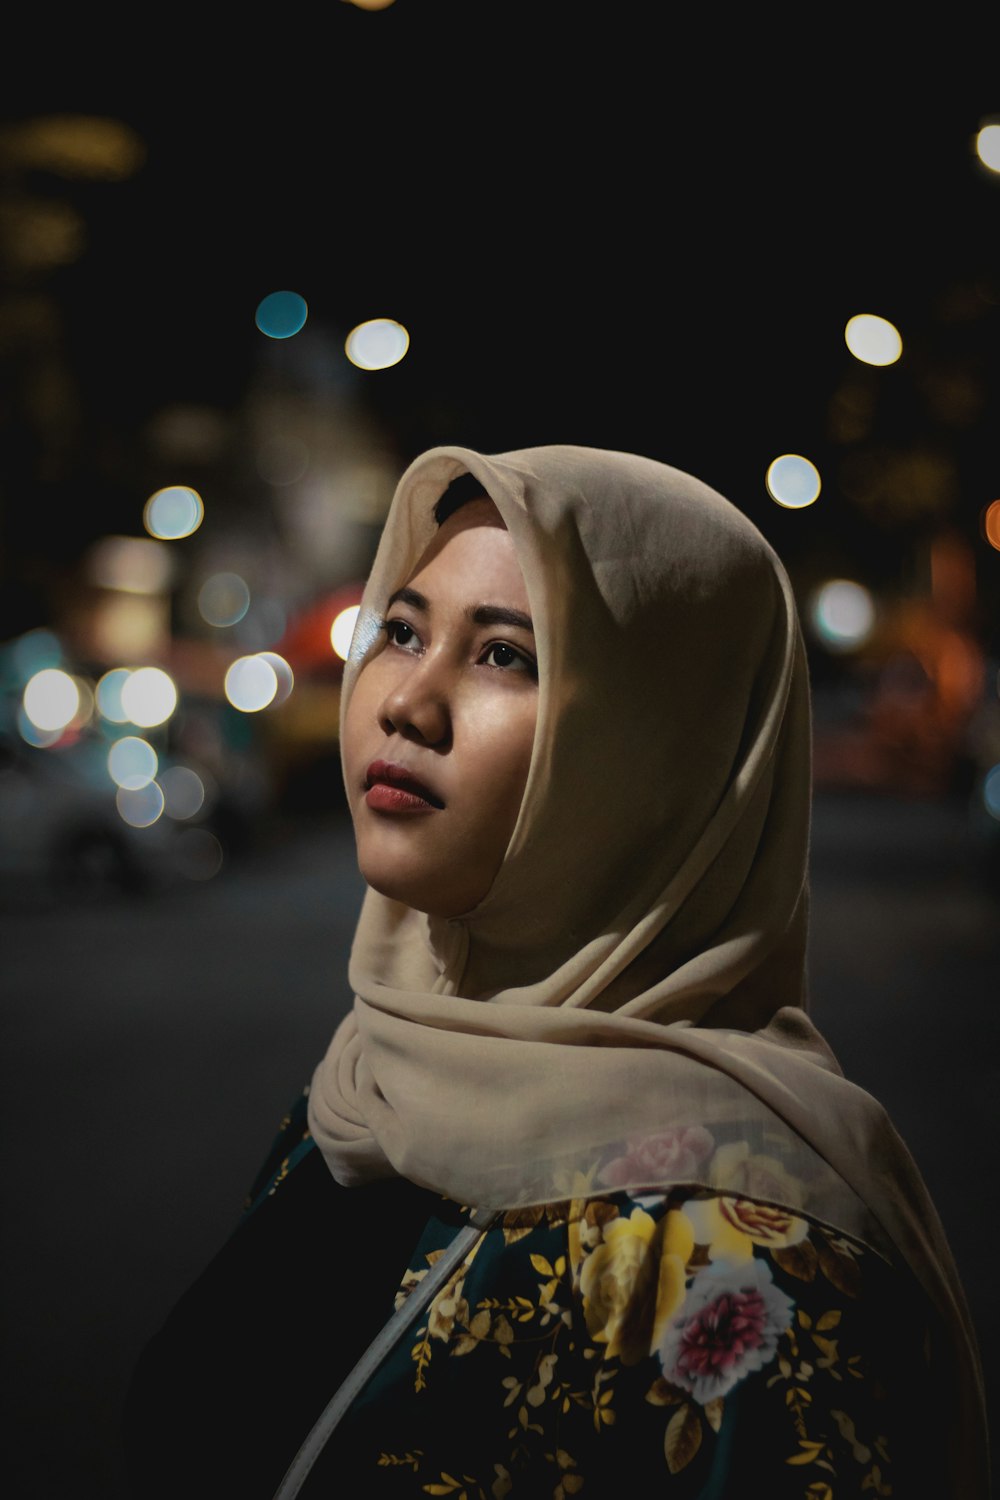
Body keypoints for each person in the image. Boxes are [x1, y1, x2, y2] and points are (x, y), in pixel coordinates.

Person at [124, 444, 990, 1498]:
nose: (404, 701)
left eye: (504, 657)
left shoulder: (747, 1264)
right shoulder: (362, 1089)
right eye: (400, 633)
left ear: (655, 750)